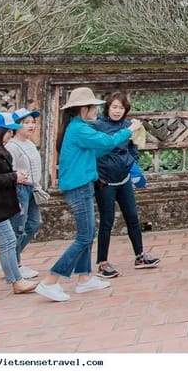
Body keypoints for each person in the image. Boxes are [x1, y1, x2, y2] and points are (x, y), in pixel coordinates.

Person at [35, 87, 143, 302]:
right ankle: (51, 280)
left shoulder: (79, 127)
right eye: (94, 107)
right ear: (84, 109)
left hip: (83, 184)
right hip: (78, 186)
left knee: (88, 233)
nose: (96, 111)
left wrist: (120, 139)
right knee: (84, 236)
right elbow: (106, 143)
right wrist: (129, 130)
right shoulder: (79, 129)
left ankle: (84, 278)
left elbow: (99, 149)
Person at [91, 92, 161, 278]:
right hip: (105, 181)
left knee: (132, 217)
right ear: (107, 107)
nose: (117, 111)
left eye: (121, 108)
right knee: (107, 221)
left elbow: (134, 146)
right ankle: (102, 262)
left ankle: (139, 256)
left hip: (124, 179)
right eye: (114, 107)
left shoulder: (128, 126)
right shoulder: (97, 125)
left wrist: (131, 160)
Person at [0, 112, 37, 295]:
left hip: (1, 205)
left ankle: (16, 279)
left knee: (9, 241)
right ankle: (16, 281)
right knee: (8, 241)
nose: (10, 134)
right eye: (8, 131)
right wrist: (14, 176)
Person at [5, 107, 44, 279]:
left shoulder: (29, 143)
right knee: (18, 227)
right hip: (20, 189)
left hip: (32, 188)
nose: (31, 125)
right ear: (15, 126)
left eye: (32, 122)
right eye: (26, 123)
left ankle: (10, 258)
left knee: (34, 223)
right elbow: (10, 170)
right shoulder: (12, 146)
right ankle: (15, 264)